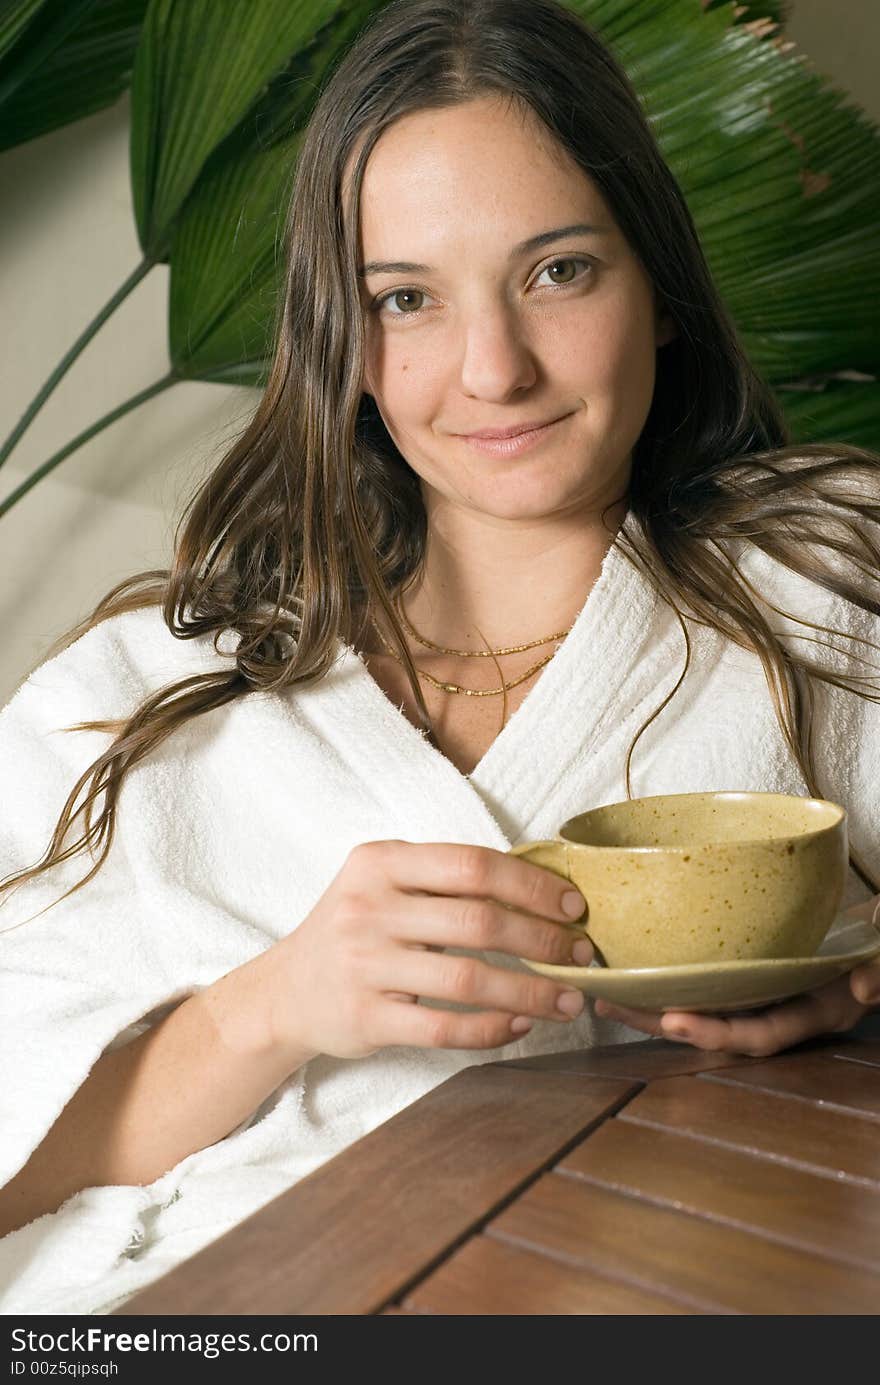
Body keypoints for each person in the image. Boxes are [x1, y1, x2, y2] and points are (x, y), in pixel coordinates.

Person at [1, 0, 878, 1316]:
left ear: (662, 292)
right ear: (344, 347)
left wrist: (861, 978)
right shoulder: (131, 702)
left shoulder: (829, 582)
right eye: (406, 299)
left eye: (558, 271)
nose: (494, 368)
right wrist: (272, 1005)